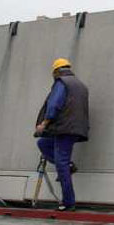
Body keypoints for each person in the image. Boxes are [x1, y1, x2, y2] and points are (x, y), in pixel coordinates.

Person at [35, 58, 89, 211]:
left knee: (61, 164)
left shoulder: (61, 83)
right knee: (43, 144)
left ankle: (68, 202)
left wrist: (43, 124)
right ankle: (69, 166)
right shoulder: (80, 85)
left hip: (64, 129)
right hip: (75, 129)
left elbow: (54, 105)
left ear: (56, 71)